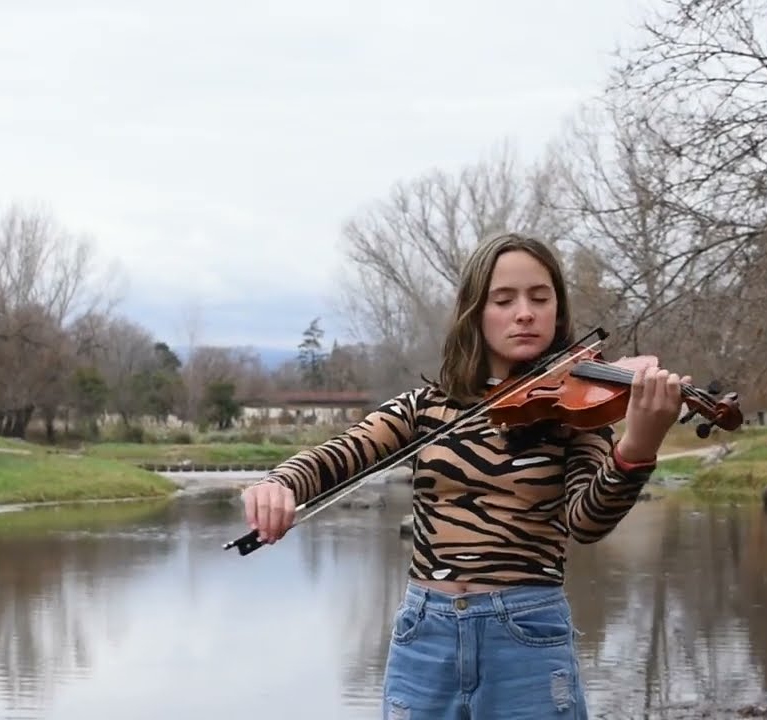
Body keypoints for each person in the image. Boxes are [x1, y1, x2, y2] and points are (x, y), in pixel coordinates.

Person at [241, 232, 688, 719]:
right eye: (504, 299)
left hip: (527, 637)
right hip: (424, 637)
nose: (525, 313)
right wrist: (279, 482)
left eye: (540, 298)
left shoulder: (575, 413)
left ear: (558, 312)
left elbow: (587, 522)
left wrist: (638, 445)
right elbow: (342, 453)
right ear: (475, 312)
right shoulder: (426, 407)